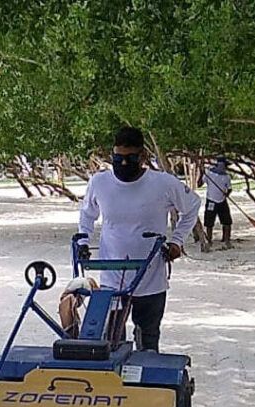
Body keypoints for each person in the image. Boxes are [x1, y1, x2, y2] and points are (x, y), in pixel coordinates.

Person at [77, 126, 201, 353]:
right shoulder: (99, 182)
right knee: (110, 341)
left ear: (142, 156)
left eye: (130, 158)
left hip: (151, 277)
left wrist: (177, 241)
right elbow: (87, 214)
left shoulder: (163, 183)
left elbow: (192, 205)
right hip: (112, 277)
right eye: (118, 158)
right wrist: (83, 242)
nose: (124, 164)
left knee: (148, 340)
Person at [201, 156, 234, 249]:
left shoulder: (226, 176)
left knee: (226, 221)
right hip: (212, 200)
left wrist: (226, 194)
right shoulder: (209, 174)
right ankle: (210, 240)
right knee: (209, 222)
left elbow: (229, 188)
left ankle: (226, 240)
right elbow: (200, 183)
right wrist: (202, 173)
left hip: (221, 200)